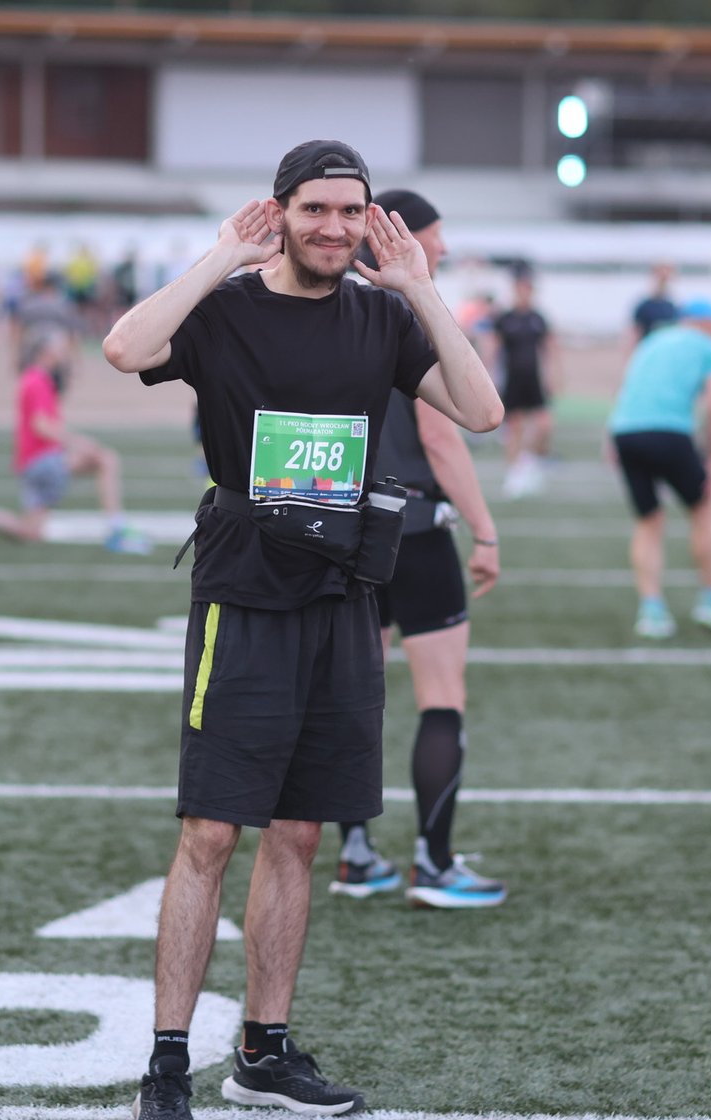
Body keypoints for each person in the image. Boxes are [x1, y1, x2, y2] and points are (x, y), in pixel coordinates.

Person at [102, 139, 501, 1120]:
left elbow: (482, 410)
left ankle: (264, 1053)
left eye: (349, 211)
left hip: (343, 595)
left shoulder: (383, 316)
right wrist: (217, 259)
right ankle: (166, 1066)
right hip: (244, 594)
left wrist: (420, 288)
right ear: (278, 211)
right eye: (314, 208)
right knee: (210, 833)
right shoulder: (227, 308)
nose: (333, 227)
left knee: (299, 833)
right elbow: (125, 349)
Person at [326, 188, 506, 911]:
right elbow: (441, 434)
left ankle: (355, 853)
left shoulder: (330, 308)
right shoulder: (411, 312)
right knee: (441, 699)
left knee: (353, 696)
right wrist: (484, 529)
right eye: (433, 235)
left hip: (344, 529)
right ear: (396, 233)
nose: (442, 248)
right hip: (415, 526)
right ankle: (433, 863)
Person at [607, 299, 711, 641]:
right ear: (710, 324)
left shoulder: (652, 340)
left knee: (648, 521)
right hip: (669, 431)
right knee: (703, 511)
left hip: (625, 431)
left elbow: (627, 388)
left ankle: (651, 611)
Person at [0, 328, 148, 555]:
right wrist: (78, 442)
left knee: (31, 532)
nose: (63, 355)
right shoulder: (38, 380)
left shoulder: (34, 378)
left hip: (34, 462)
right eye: (59, 350)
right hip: (44, 461)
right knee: (106, 459)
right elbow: (41, 425)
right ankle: (116, 530)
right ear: (46, 352)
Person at [493, 270, 558, 498]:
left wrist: (552, 376)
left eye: (528, 289)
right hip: (513, 379)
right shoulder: (505, 318)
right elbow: (494, 349)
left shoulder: (538, 318)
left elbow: (549, 349)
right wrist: (491, 377)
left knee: (544, 424)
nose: (524, 293)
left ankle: (528, 461)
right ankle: (514, 472)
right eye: (521, 288)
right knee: (515, 426)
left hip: (534, 379)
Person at [630, 261, 679, 343]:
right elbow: (635, 333)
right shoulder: (644, 307)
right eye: (661, 278)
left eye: (665, 279)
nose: (663, 281)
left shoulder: (672, 307)